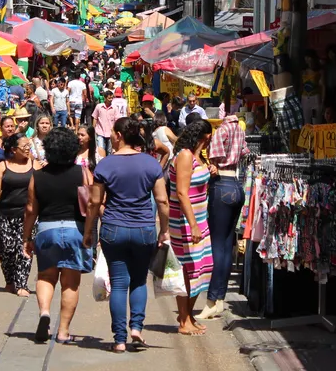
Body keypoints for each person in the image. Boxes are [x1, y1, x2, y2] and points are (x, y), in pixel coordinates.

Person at [84, 118, 170, 353]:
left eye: (112, 132)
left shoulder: (105, 165)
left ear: (120, 135)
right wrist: (164, 229)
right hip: (144, 229)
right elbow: (162, 201)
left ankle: (119, 339)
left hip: (113, 229)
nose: (110, 135)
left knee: (119, 284)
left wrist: (88, 231)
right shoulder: (151, 165)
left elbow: (94, 202)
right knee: (140, 280)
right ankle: (136, 328)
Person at [24, 128, 93, 344]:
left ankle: (45, 312)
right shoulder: (82, 173)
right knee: (70, 283)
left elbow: (30, 210)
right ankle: (63, 331)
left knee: (46, 276)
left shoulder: (37, 175)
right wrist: (90, 233)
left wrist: (27, 238)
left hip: (46, 229)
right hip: (75, 229)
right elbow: (91, 204)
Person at [168, 120, 214, 336]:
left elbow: (197, 179)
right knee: (188, 270)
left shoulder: (198, 155)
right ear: (203, 137)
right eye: (209, 138)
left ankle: (187, 314)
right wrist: (193, 224)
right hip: (186, 222)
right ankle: (184, 319)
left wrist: (209, 169)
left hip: (199, 218)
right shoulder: (185, 155)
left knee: (202, 267)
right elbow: (182, 192)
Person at [201, 114, 250, 320]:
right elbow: (245, 152)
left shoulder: (223, 130)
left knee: (217, 245)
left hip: (222, 185)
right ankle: (219, 299)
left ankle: (212, 300)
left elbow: (216, 155)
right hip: (237, 186)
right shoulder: (239, 129)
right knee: (228, 244)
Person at [0, 134, 41, 297]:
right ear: (13, 149)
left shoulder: (35, 165)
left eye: (28, 146)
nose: (27, 149)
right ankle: (10, 280)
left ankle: (22, 283)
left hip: (28, 215)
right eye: (24, 146)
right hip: (5, 214)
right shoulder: (3, 166)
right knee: (7, 249)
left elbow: (41, 189)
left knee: (25, 248)